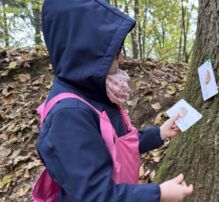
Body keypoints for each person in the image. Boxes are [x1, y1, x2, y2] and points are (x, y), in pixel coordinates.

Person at [32, 0, 193, 201]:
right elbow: (93, 195)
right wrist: (158, 194)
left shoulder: (93, 93)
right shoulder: (68, 116)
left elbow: (117, 144)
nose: (122, 59)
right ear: (87, 54)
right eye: (115, 53)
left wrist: (158, 133)